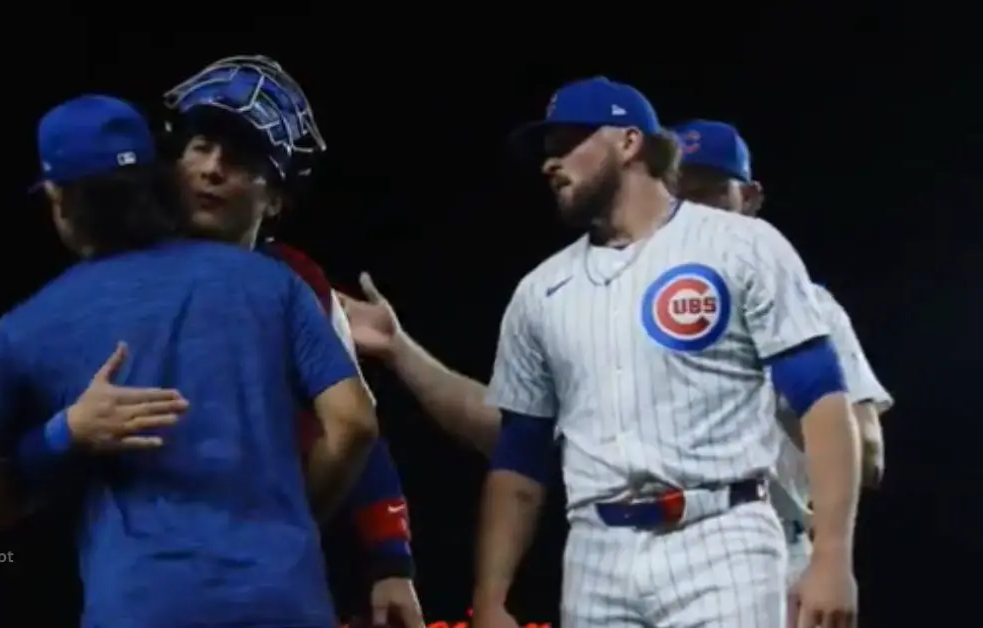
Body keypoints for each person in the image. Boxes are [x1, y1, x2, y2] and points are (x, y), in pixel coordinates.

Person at [346, 77, 861, 628]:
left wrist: (832, 556)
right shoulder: (540, 292)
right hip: (596, 551)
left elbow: (824, 402)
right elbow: (519, 458)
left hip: (722, 534)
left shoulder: (740, 245)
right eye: (546, 151)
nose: (550, 163)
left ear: (629, 142)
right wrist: (491, 596)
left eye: (567, 142)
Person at [0, 94, 378, 628]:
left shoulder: (24, 329)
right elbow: (355, 422)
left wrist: (64, 434)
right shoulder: (274, 283)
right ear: (162, 181)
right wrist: (289, 525)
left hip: (144, 605)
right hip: (284, 600)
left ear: (58, 199)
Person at [161, 56, 423, 627]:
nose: (212, 168)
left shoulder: (301, 285)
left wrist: (390, 561)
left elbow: (358, 429)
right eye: (200, 147)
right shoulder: (124, 276)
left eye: (240, 157)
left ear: (277, 198)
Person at [671, 118, 892, 592]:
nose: (694, 217)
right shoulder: (628, 312)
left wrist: (784, 380)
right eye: (679, 199)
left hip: (772, 557)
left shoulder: (808, 306)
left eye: (710, 195)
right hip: (651, 561)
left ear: (748, 200)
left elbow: (870, 456)